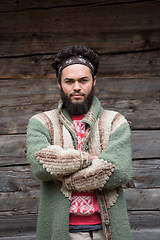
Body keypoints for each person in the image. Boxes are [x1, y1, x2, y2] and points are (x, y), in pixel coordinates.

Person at [27, 45, 132, 240]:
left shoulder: (115, 122)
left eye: (83, 80)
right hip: (62, 231)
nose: (77, 87)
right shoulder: (41, 122)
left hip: (107, 231)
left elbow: (120, 171)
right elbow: (40, 166)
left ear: (94, 81)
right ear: (59, 83)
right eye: (69, 81)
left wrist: (63, 171)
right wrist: (91, 160)